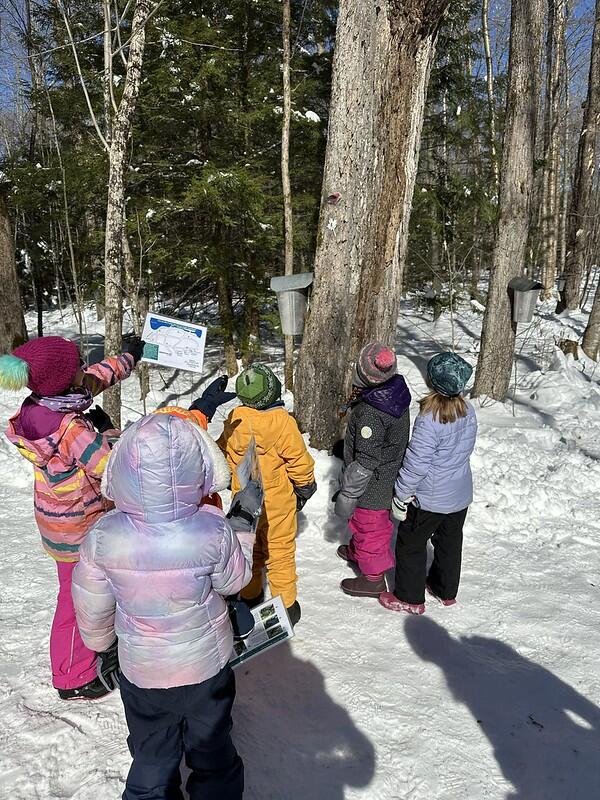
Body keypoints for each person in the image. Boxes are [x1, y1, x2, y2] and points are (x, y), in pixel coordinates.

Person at [72, 412, 257, 800]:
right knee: (212, 751)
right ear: (198, 466)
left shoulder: (104, 536)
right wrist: (242, 528)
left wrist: (103, 645)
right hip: (206, 667)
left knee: (152, 754)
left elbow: (91, 607)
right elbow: (234, 581)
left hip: (143, 671)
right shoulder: (212, 529)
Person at [0, 335, 142, 699]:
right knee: (77, 597)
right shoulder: (70, 429)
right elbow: (109, 468)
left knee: (86, 590)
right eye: (77, 363)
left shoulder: (42, 404)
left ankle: (94, 644)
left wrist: (129, 357)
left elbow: (93, 378)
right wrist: (111, 432)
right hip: (77, 527)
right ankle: (71, 675)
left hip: (59, 521)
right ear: (64, 377)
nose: (83, 367)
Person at [218, 364, 316, 626]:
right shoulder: (283, 422)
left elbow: (222, 451)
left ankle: (250, 595)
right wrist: (306, 486)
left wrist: (231, 481)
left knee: (251, 548)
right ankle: (286, 606)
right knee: (280, 552)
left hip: (246, 504)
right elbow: (299, 460)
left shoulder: (235, 419)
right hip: (277, 505)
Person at [380, 352, 477, 615]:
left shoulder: (430, 418)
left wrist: (401, 494)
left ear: (432, 382)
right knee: (449, 542)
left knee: (410, 545)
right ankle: (444, 589)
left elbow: (417, 462)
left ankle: (410, 597)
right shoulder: (467, 410)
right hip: (458, 496)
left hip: (429, 500)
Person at [334, 342, 411, 598]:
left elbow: (366, 461)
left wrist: (348, 494)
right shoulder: (394, 393)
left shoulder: (371, 413)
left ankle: (374, 578)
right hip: (387, 474)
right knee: (361, 523)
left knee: (371, 529)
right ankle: (358, 552)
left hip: (373, 485)